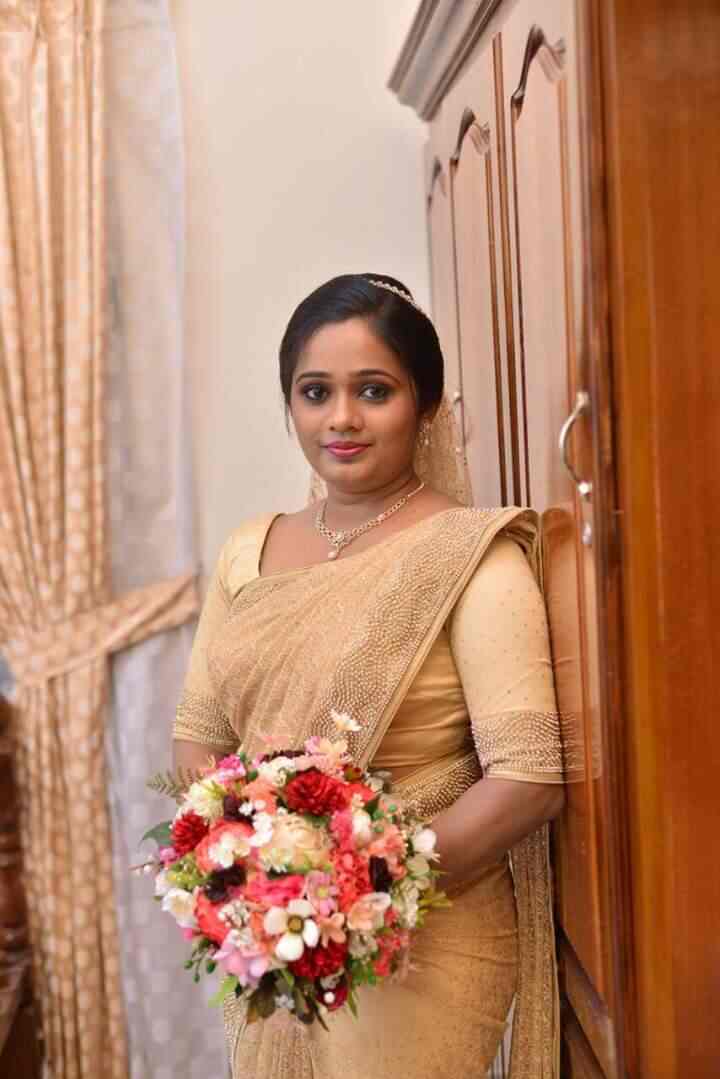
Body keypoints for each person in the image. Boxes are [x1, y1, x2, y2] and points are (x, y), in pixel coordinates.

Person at [172, 273, 564, 1079]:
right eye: (316, 391)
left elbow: (529, 779)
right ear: (291, 403)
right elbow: (198, 738)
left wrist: (355, 891)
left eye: (374, 391)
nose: (341, 418)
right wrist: (257, 874)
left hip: (427, 941)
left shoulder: (473, 556)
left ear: (426, 405)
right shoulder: (249, 549)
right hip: (276, 937)